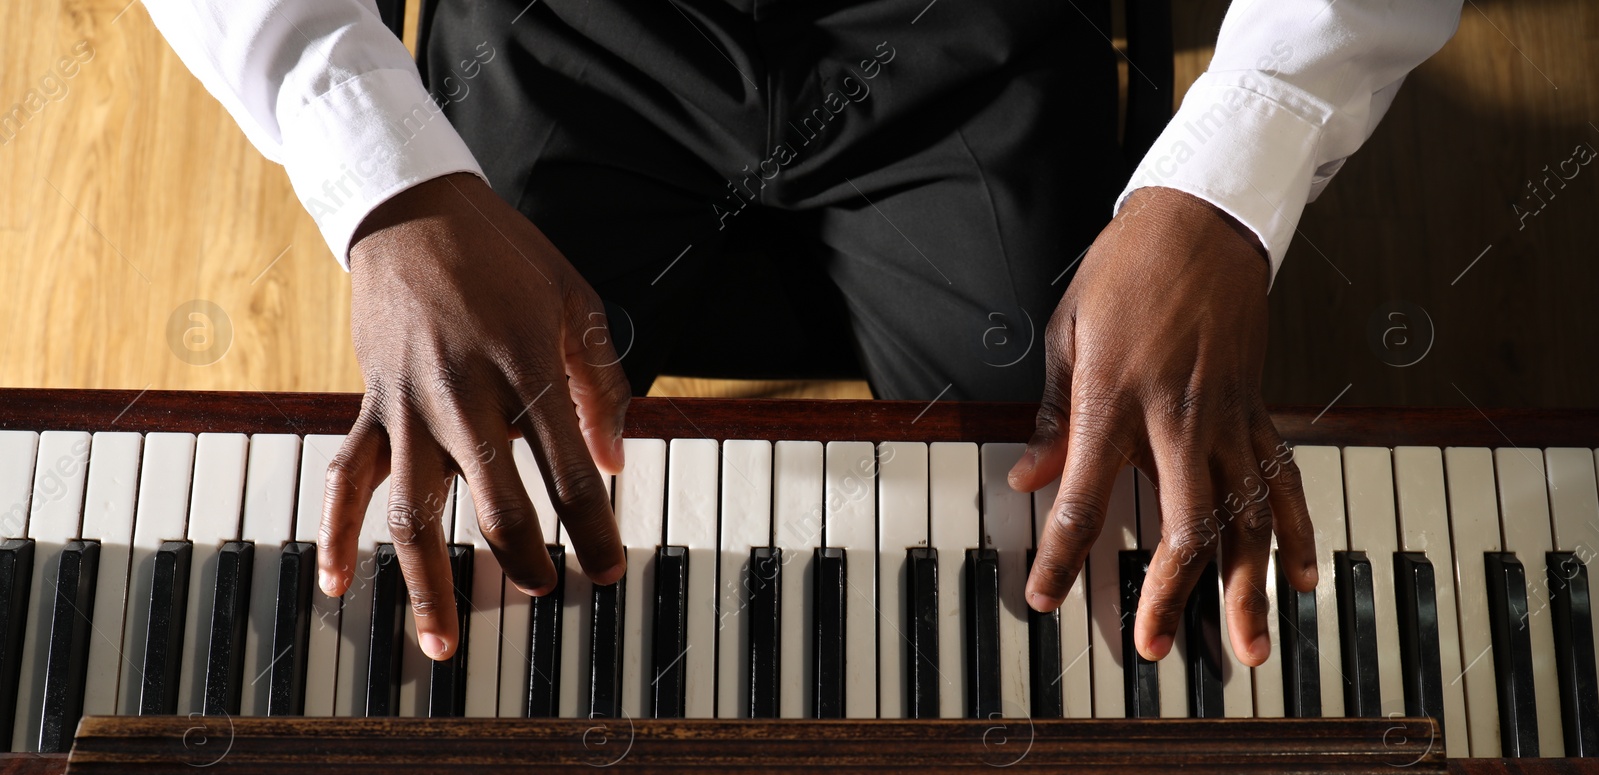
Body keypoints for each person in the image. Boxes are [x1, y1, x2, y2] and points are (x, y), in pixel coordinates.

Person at [145, 0, 1463, 674]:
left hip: (969, 29)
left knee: (1079, 558)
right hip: (564, 29)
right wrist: (385, 181)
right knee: (468, 566)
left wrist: (1228, 188)